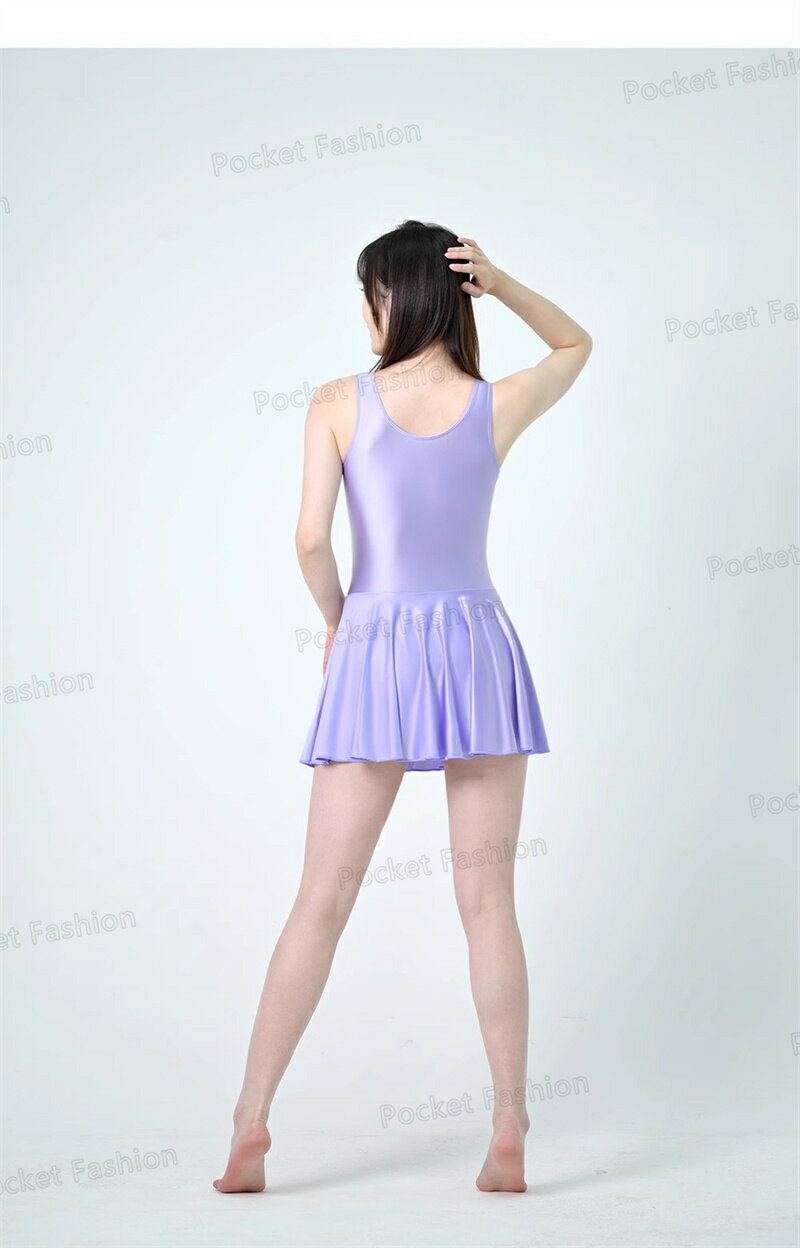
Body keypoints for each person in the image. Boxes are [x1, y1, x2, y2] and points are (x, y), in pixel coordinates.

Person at [214, 220, 592, 1195]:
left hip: (375, 647)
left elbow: (309, 539)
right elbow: (575, 343)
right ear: (456, 293)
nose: (364, 311)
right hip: (474, 646)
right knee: (487, 903)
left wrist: (339, 623)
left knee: (320, 898)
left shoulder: (338, 402)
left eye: (369, 293)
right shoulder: (494, 402)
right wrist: (502, 283)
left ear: (388, 298)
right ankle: (506, 1126)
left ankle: (251, 1125)